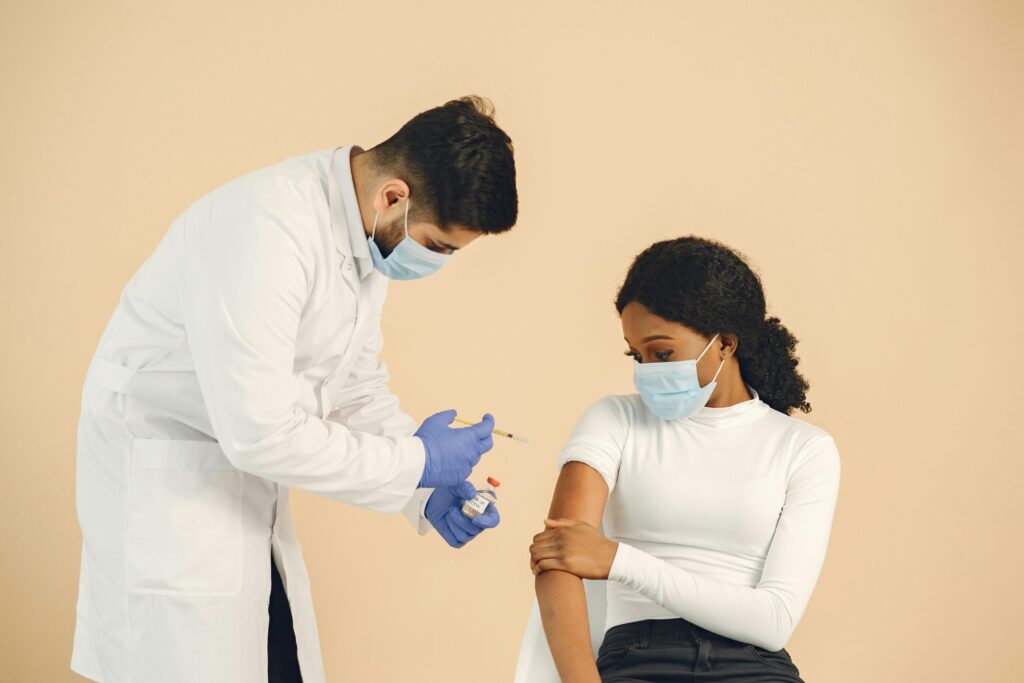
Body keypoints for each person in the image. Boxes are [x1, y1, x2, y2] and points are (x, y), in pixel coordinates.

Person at [71, 96, 517, 683]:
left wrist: (423, 489)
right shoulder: (265, 228)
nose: (437, 263)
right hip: (172, 499)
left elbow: (354, 387)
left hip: (238, 493)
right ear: (394, 197)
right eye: (437, 246)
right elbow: (259, 432)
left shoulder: (364, 238)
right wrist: (416, 459)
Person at [530, 236, 841, 682]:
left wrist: (620, 561)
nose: (647, 370)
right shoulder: (613, 419)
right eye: (636, 355)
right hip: (636, 661)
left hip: (753, 668)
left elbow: (774, 620)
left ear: (725, 344)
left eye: (662, 353)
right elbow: (560, 559)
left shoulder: (803, 449)